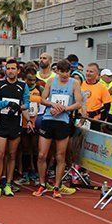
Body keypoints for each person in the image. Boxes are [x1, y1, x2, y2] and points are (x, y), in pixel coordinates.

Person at [33, 60, 83, 198]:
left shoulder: (74, 83)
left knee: (60, 156)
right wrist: (53, 105)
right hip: (48, 120)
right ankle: (42, 184)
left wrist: (64, 108)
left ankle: (57, 186)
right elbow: (42, 99)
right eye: (62, 72)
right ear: (57, 71)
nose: (65, 74)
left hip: (63, 121)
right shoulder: (51, 82)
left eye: (67, 72)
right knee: (42, 155)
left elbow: (79, 103)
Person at [0, 59, 31, 197]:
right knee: (0, 153)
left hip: (16, 123)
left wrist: (19, 108)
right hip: (2, 122)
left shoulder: (23, 85)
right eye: (8, 68)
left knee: (12, 155)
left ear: (18, 71)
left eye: (13, 68)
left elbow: (27, 104)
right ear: (5, 70)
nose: (11, 71)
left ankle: (8, 184)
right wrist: (7, 104)